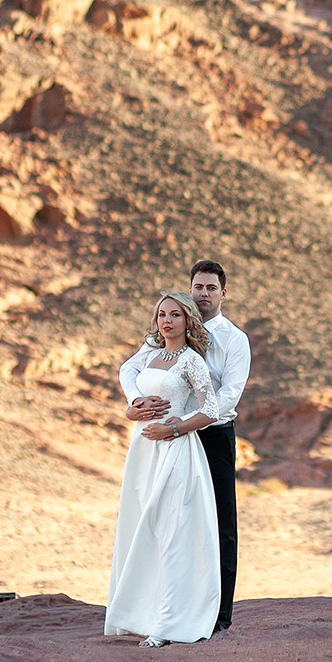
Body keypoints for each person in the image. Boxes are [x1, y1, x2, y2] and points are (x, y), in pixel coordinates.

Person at [127, 260, 249, 633]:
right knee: (171, 521)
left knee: (219, 522)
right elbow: (129, 369)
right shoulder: (167, 333)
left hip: (211, 435)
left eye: (212, 288)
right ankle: (169, 605)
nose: (204, 294)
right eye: (198, 287)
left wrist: (184, 424)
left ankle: (218, 616)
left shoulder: (233, 339)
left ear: (223, 293)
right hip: (164, 437)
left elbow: (228, 395)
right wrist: (137, 401)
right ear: (190, 289)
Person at [106, 290, 221, 646]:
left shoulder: (192, 361)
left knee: (170, 534)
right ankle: (140, 615)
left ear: (188, 320)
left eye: (175, 314)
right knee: (141, 528)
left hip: (175, 452)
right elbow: (130, 386)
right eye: (161, 315)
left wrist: (173, 427)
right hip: (143, 452)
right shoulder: (150, 356)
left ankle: (168, 624)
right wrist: (132, 409)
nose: (167, 321)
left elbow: (211, 410)